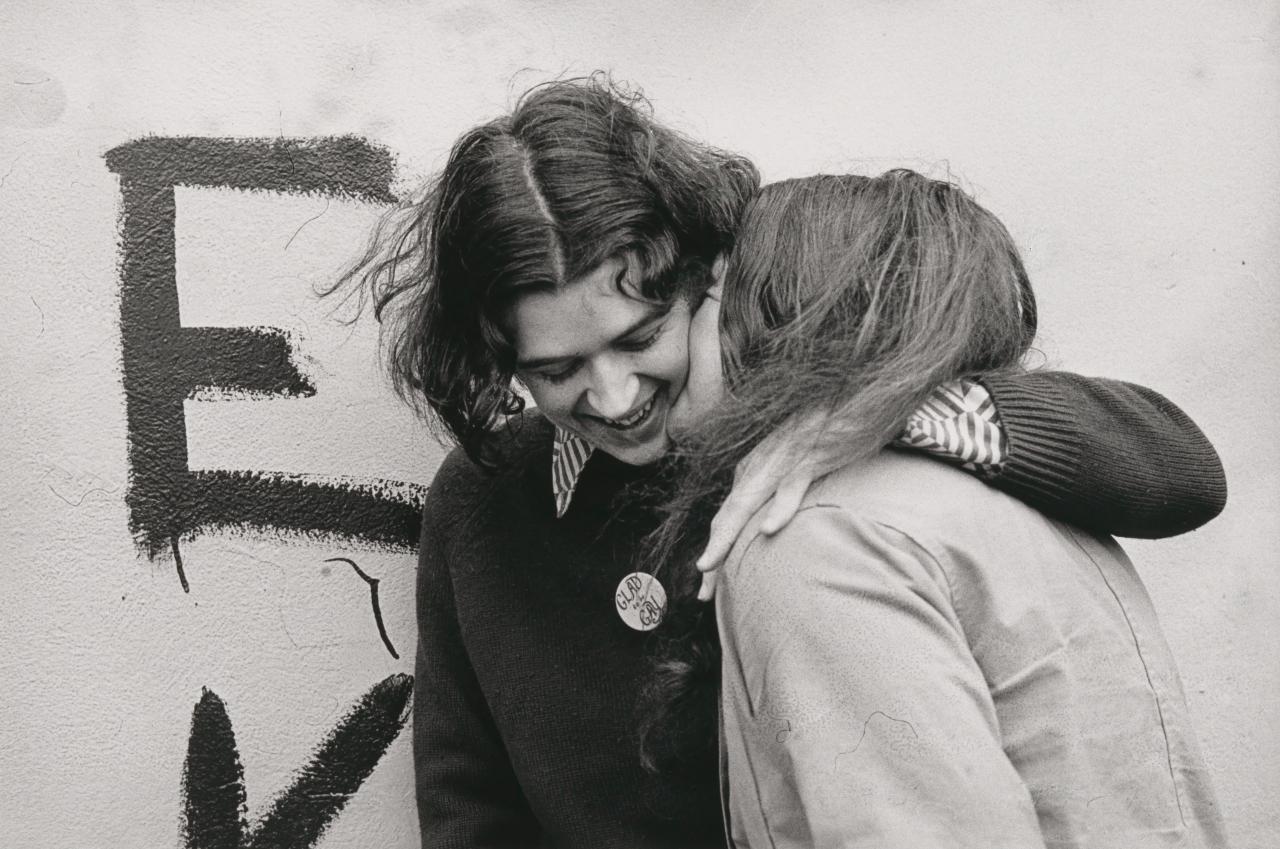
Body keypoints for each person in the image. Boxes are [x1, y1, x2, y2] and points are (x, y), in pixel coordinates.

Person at [336, 76, 1227, 848]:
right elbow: (469, 806)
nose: (610, 397)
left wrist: (879, 413)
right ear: (497, 356)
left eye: (640, 338)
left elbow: (1178, 463)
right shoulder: (486, 501)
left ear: (702, 277)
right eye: (555, 370)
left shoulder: (828, 431)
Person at [647, 170, 1227, 847]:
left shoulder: (812, 538)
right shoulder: (1019, 495)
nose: (682, 327)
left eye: (710, 294)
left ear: (783, 312)